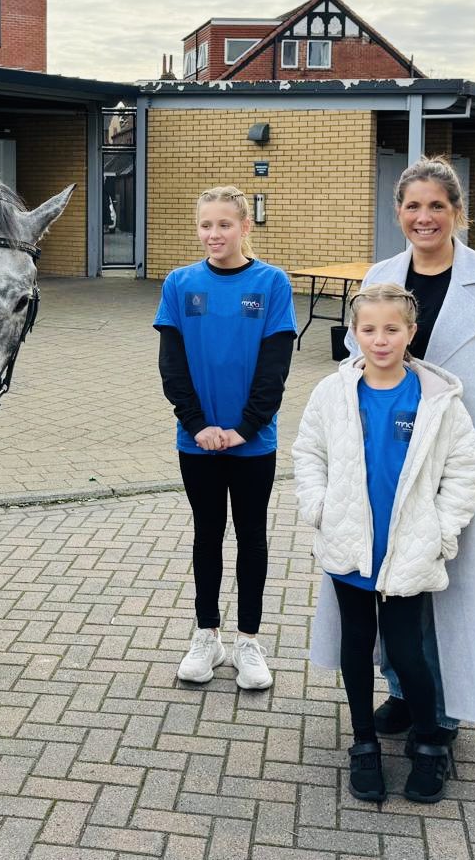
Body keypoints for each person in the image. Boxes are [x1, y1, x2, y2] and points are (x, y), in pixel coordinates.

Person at [311, 155, 475, 738]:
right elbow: (356, 358)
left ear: (458, 214)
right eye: (413, 206)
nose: (425, 218)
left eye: (436, 206)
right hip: (387, 467)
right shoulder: (381, 277)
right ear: (398, 213)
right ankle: (401, 691)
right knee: (393, 585)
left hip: (465, 472)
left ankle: (445, 712)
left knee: (455, 599)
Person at [294, 283, 475, 803]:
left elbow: (464, 471)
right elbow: (308, 453)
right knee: (356, 646)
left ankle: (428, 745)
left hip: (408, 552)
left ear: (410, 333)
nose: (380, 339)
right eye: (369, 329)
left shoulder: (438, 399)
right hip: (350, 547)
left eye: (391, 329)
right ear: (354, 333)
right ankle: (364, 744)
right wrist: (320, 509)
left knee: (407, 651)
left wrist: (441, 533)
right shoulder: (332, 394)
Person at [154, 186, 296, 691]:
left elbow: (275, 369)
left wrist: (243, 428)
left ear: (245, 228)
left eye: (224, 225)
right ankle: (207, 634)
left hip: (253, 443)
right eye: (206, 225)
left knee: (252, 537)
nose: (214, 234)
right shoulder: (179, 283)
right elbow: (172, 366)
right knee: (207, 535)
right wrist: (199, 426)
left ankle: (249, 642)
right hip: (198, 442)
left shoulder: (272, 283)